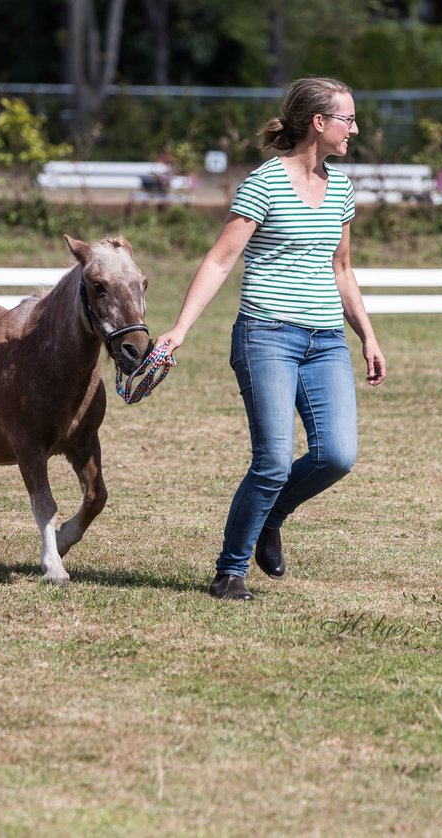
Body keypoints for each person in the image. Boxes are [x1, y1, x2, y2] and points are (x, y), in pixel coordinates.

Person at [155, 77, 386, 601]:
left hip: (326, 340)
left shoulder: (342, 187)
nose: (356, 128)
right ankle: (230, 572)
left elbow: (342, 269)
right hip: (266, 336)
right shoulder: (265, 183)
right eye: (348, 119)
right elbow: (220, 259)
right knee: (274, 461)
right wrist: (181, 328)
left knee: (337, 456)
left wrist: (368, 336)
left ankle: (272, 517)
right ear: (319, 123)